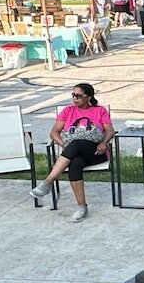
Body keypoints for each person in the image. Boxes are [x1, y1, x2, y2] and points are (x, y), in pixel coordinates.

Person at [30, 82, 112, 222]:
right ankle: (82, 207)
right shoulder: (68, 111)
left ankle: (48, 182)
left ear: (88, 97)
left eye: (79, 96)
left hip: (97, 152)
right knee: (75, 163)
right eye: (73, 95)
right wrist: (65, 145)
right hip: (75, 151)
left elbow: (109, 130)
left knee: (77, 143)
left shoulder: (99, 111)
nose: (75, 98)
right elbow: (54, 132)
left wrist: (103, 142)